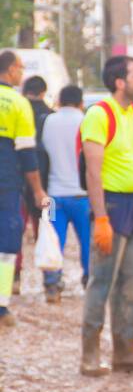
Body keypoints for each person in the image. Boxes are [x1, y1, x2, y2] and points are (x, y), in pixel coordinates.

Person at [80, 55, 133, 376]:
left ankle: (125, 352)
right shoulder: (99, 115)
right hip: (112, 207)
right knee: (101, 281)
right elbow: (93, 171)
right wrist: (100, 218)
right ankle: (90, 354)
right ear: (120, 82)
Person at [0, 52, 51, 328]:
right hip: (6, 184)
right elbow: (27, 153)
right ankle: (1, 305)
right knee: (7, 244)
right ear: (10, 70)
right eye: (20, 68)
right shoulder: (18, 104)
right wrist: (38, 190)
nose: (21, 73)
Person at [40, 86, 93, 302]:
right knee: (88, 242)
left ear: (60, 101)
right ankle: (90, 283)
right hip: (83, 195)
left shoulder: (48, 121)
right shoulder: (87, 120)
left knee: (53, 240)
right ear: (81, 102)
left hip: (53, 196)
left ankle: (52, 285)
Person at [14, 76, 53, 292]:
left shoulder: (17, 110)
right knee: (47, 230)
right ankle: (51, 280)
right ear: (43, 91)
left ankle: (13, 279)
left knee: (15, 229)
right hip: (47, 184)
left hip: (17, 182)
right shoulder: (51, 116)